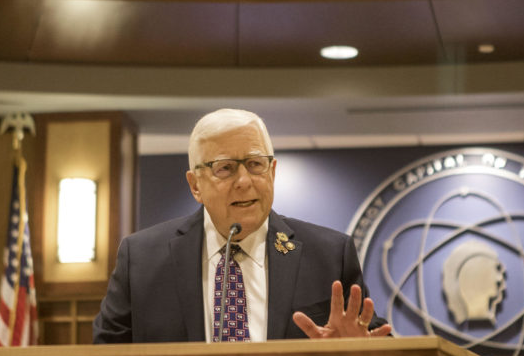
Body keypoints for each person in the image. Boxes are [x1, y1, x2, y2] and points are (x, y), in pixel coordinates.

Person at [93, 109, 391, 343]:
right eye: (225, 168)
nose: (244, 181)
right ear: (195, 185)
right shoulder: (142, 259)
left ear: (272, 172)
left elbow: (375, 340)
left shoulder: (329, 254)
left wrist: (357, 352)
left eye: (255, 164)